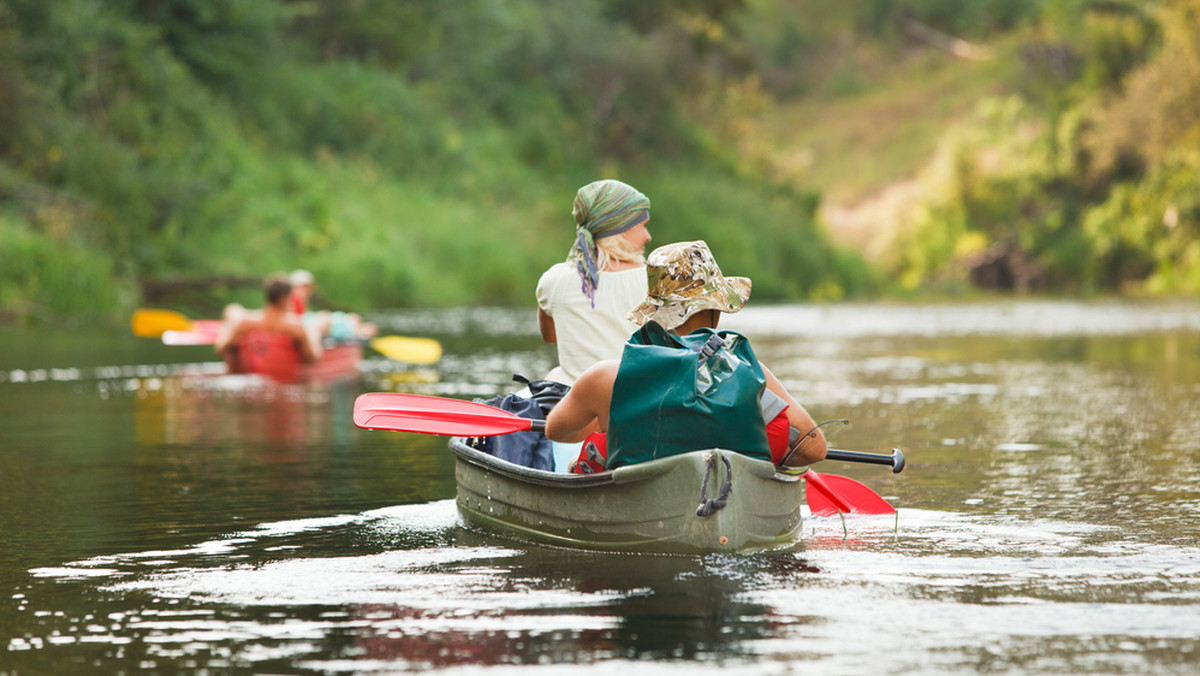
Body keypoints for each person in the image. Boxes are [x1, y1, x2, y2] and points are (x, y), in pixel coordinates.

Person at [544, 240, 828, 470]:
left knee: (574, 464)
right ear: (714, 311)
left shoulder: (607, 377)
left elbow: (556, 432)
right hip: (731, 496)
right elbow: (813, 447)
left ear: (654, 314)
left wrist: (612, 417)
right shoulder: (750, 372)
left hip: (639, 502)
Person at [535, 179, 653, 386]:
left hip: (578, 406)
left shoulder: (554, 279)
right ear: (621, 227)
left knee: (555, 374)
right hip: (634, 400)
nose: (648, 236)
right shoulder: (653, 280)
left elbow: (551, 336)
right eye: (643, 226)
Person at [215, 274, 322, 368]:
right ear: (285, 299)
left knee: (233, 310)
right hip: (282, 374)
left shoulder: (245, 322)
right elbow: (314, 357)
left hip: (249, 371)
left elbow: (220, 348)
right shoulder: (296, 327)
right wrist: (314, 333)